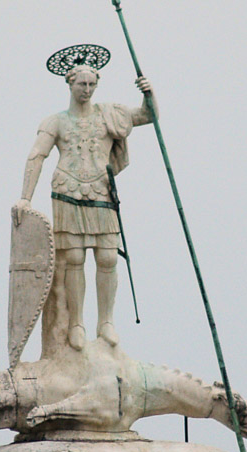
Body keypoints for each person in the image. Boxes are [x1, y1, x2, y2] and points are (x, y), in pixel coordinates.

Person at [13, 65, 156, 351]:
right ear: (70, 84)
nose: (87, 90)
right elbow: (36, 156)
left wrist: (148, 94)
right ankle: (77, 323)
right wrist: (25, 197)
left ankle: (106, 322)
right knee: (74, 258)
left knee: (107, 257)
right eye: (82, 84)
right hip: (67, 190)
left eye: (92, 84)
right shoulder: (56, 122)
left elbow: (146, 116)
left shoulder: (108, 114)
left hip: (102, 189)